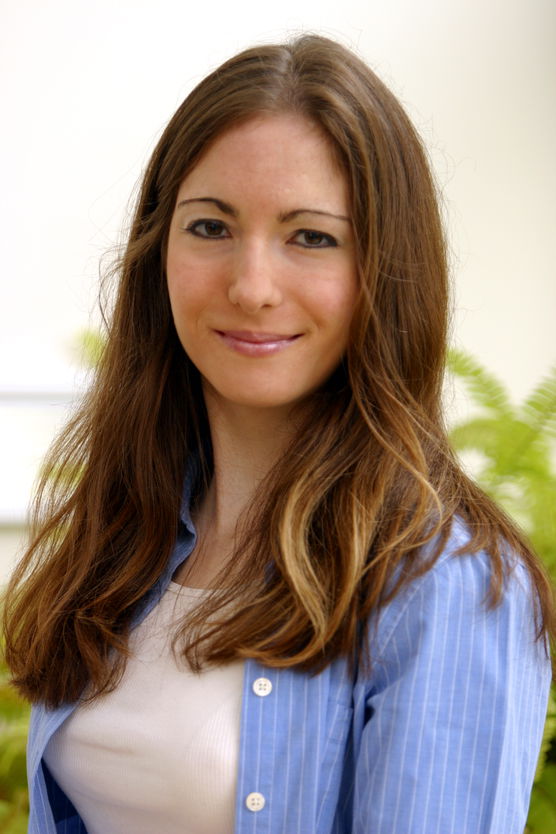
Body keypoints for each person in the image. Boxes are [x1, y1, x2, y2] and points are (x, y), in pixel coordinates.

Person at [2, 34, 554, 834]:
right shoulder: (128, 538)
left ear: (385, 271)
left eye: (312, 238)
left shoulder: (448, 587)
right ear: (159, 247)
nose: (251, 286)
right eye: (210, 227)